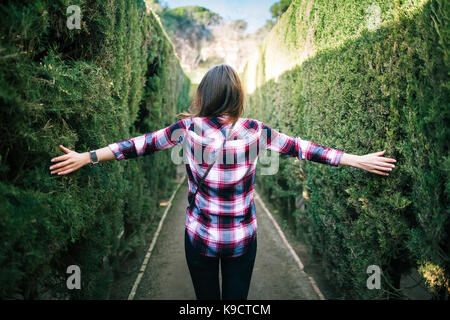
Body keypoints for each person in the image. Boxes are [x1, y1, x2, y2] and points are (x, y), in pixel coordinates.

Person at [49, 64, 397, 300]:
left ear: (206, 94)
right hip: (242, 240)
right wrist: (356, 159)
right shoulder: (255, 131)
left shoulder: (186, 129)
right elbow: (308, 150)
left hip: (199, 237)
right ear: (237, 96)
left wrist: (87, 156)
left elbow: (136, 146)